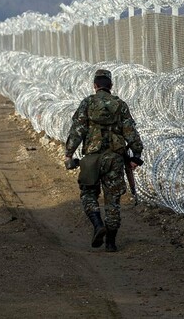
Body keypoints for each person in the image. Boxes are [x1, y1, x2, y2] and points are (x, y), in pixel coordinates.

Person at [64, 69, 143, 252]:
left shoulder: (88, 103)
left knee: (88, 194)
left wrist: (69, 154)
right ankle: (111, 243)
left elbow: (77, 131)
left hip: (91, 158)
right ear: (111, 86)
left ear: (95, 86)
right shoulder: (119, 105)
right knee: (113, 200)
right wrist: (137, 156)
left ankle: (98, 224)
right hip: (114, 159)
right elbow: (130, 131)